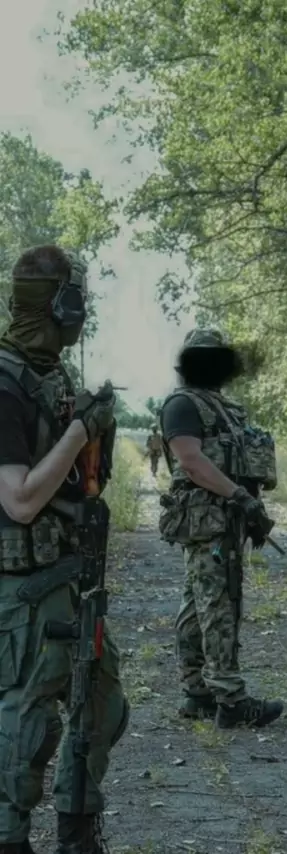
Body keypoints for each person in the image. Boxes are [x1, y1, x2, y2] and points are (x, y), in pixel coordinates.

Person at [0, 246, 129, 854]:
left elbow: (75, 481)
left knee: (101, 705)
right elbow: (20, 499)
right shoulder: (5, 383)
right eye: (76, 299)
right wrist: (81, 429)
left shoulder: (53, 377)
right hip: (21, 589)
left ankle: (78, 832)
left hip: (70, 575)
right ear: (56, 304)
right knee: (25, 728)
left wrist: (97, 430)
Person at [159, 327, 283, 729]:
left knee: (199, 605)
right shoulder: (183, 405)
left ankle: (197, 693)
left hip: (226, 520)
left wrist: (252, 510)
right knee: (220, 605)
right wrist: (240, 497)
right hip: (208, 521)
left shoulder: (223, 409)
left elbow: (240, 465)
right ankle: (230, 699)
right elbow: (191, 462)